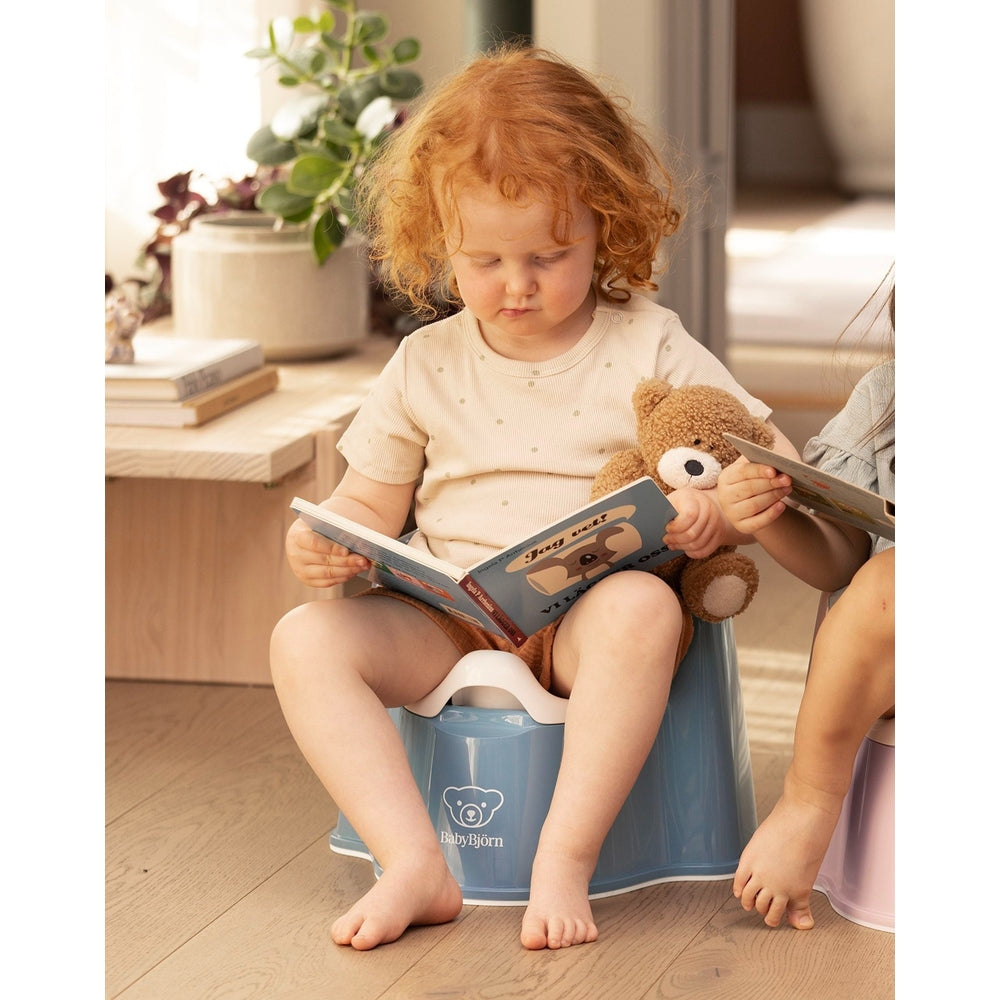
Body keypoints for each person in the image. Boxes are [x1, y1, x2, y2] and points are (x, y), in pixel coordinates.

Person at [270, 45, 798, 952]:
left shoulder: (647, 343)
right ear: (439, 242)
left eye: (549, 256)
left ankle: (564, 856)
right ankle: (413, 861)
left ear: (605, 227)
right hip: (445, 619)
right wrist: (330, 541)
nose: (516, 284)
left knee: (643, 609)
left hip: (586, 618)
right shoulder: (424, 362)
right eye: (484, 259)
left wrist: (718, 516)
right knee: (304, 640)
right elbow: (368, 503)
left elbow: (764, 456)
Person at [717, 271, 895, 931]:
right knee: (884, 582)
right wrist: (770, 518)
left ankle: (812, 797)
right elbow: (840, 560)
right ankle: (809, 801)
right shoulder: (890, 396)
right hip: (896, 659)